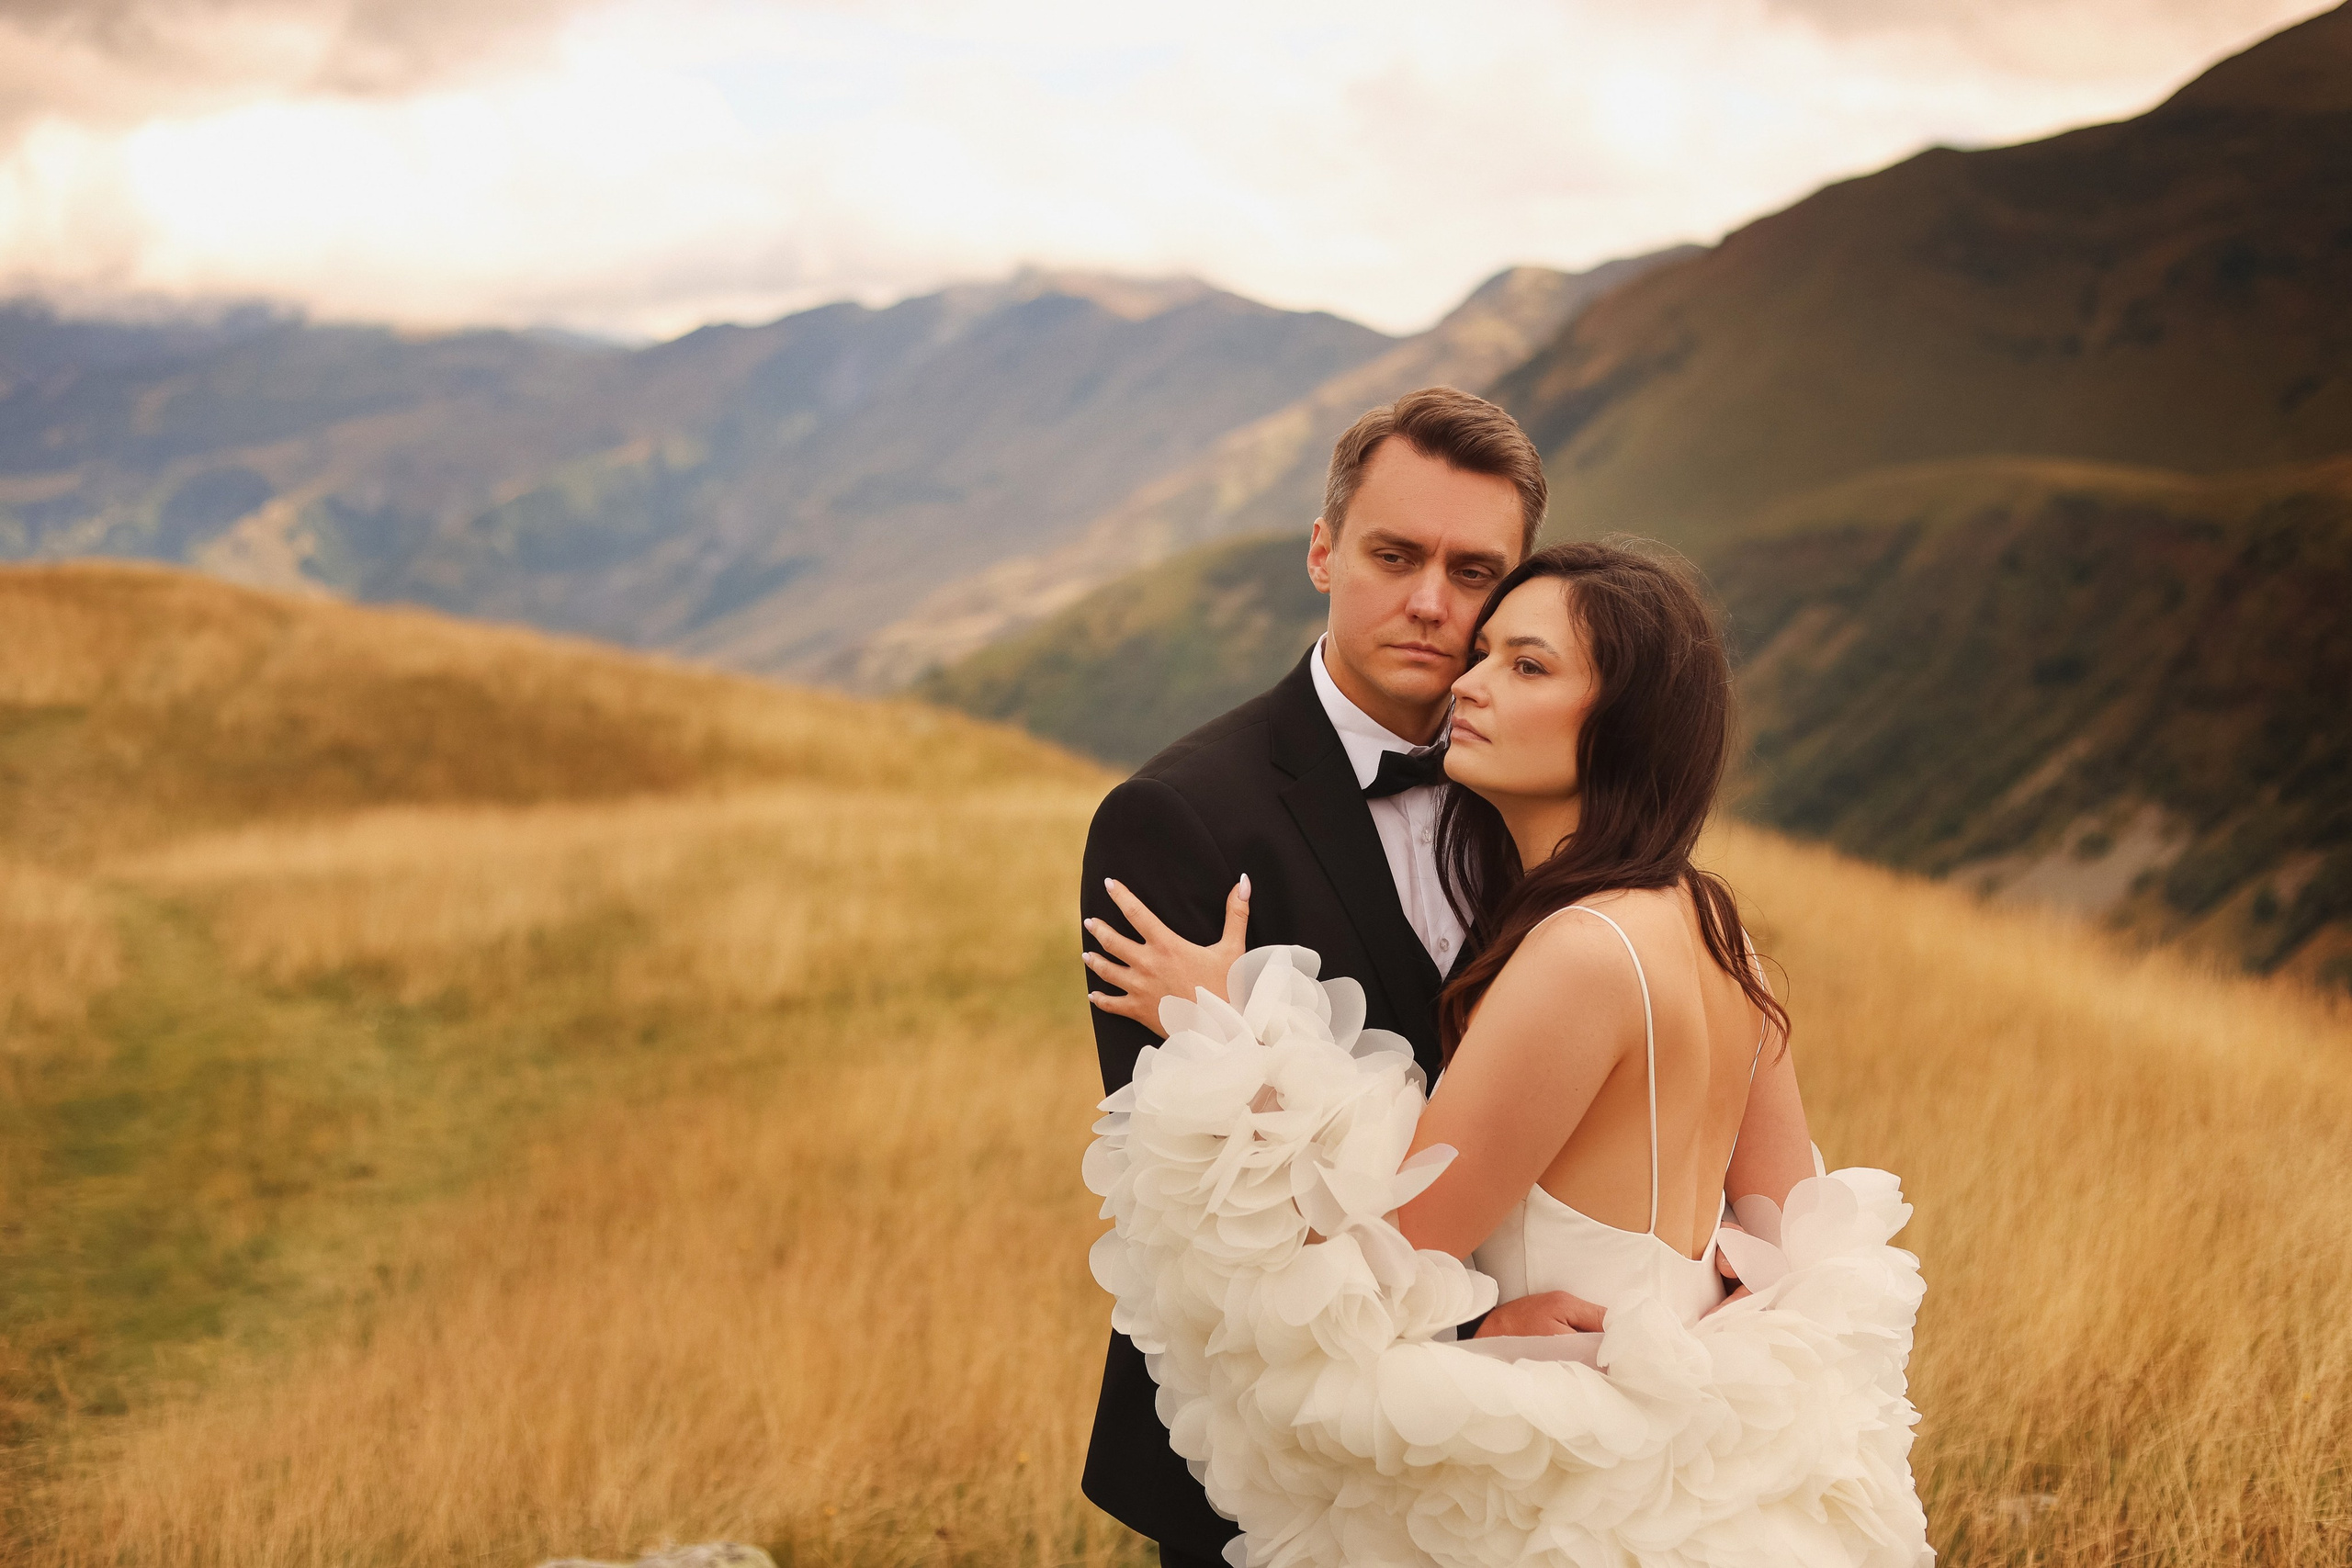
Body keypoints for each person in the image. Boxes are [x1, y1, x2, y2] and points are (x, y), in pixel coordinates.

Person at [1083, 541, 1928, 1566]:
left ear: (1622, 727)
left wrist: (1230, 1023)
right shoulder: (1711, 927)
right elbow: (1792, 1230)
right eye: (1482, 656)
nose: (1468, 686)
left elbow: (1387, 1254)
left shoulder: (1577, 952)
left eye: (1527, 667)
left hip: (1558, 1475)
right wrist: (1678, 1325)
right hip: (1684, 1468)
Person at [1076, 386, 1544, 1568]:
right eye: (1394, 555)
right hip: (1274, 1453)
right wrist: (1490, 1326)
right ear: (1324, 553)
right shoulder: (1174, 819)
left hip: (1527, 1431)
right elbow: (1204, 1213)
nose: (1432, 602)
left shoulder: (1546, 794)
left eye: (1475, 570)